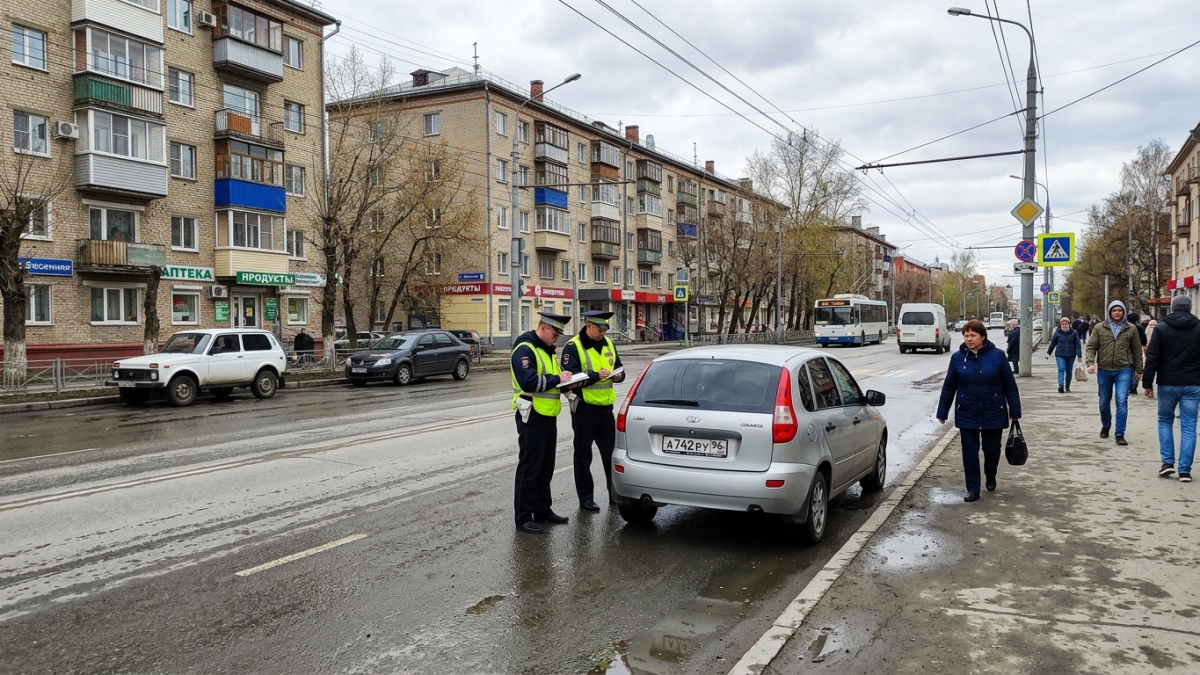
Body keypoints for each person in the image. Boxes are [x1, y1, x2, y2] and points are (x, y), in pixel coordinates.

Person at [937, 319, 1022, 502]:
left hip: (994, 411)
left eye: (973, 335)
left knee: (992, 451)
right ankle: (973, 488)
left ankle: (990, 475)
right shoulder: (958, 358)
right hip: (967, 411)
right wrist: (942, 412)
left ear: (982, 337)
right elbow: (949, 386)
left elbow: (1009, 385)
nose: (969, 339)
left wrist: (1015, 410)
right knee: (969, 452)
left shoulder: (997, 356)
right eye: (966, 335)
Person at [510, 312, 575, 534]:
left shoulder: (548, 351)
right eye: (555, 333)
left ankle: (542, 510)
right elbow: (528, 381)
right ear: (543, 328)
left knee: (546, 467)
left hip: (548, 414)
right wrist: (558, 379)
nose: (557, 337)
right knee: (530, 468)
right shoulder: (525, 349)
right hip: (532, 415)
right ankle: (523, 517)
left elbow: (553, 378)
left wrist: (568, 382)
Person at [560, 310, 626, 511]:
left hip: (606, 409)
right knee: (583, 456)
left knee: (610, 455)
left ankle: (614, 494)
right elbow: (569, 380)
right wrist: (596, 376)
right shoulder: (572, 347)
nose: (603, 334)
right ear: (589, 325)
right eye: (599, 329)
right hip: (584, 410)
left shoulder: (608, 344)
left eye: (605, 329)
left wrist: (617, 376)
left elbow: (620, 369)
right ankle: (586, 498)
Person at [1142, 296, 1200, 482]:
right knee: (1189, 425)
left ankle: (1167, 463)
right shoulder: (1199, 327)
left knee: (1165, 421)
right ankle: (1184, 470)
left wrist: (1147, 383)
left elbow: (1153, 357)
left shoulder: (1161, 328)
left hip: (1167, 383)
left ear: (1173, 308)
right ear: (1190, 308)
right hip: (1193, 383)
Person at [1086, 300, 1144, 446]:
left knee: (1121, 401)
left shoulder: (1131, 329)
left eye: (1120, 310)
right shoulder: (1100, 328)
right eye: (1114, 310)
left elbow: (1137, 351)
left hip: (1124, 369)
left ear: (1123, 312)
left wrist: (1139, 370)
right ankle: (1106, 425)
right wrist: (1090, 363)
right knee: (1103, 402)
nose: (1117, 312)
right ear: (1110, 312)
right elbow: (1091, 347)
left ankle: (1120, 434)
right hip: (1104, 370)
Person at [1045, 316, 1082, 393]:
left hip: (1071, 354)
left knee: (1069, 371)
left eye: (1066, 324)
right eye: (1063, 324)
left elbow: (1077, 344)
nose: (1064, 325)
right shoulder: (1057, 333)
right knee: (1061, 369)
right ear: (1060, 324)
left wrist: (1079, 355)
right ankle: (1061, 385)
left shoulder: (1074, 333)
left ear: (1069, 324)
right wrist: (1048, 353)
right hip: (1060, 354)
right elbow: (1053, 343)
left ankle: (1067, 386)